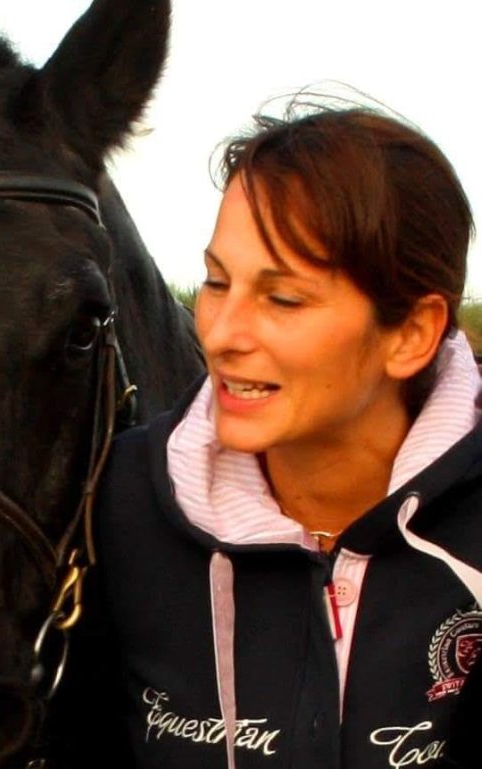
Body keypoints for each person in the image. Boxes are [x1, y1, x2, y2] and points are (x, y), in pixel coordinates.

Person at [88, 104, 481, 768]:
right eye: (217, 282)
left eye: (283, 299)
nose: (221, 334)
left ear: (412, 333)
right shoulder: (117, 504)